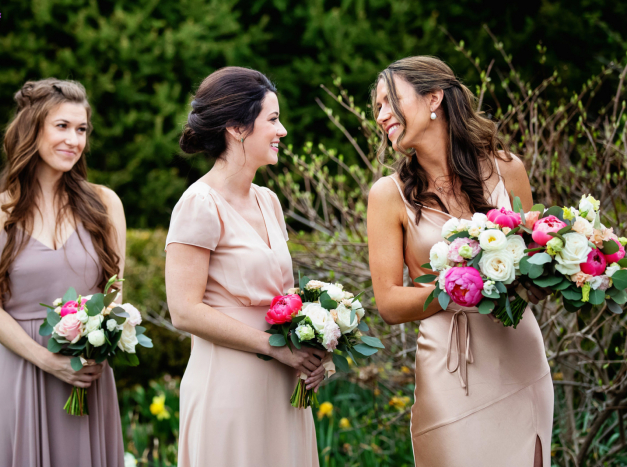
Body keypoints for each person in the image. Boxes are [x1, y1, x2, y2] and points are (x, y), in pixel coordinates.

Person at [367, 56, 553, 467]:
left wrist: (565, 267)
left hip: (518, 355)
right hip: (451, 371)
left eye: (390, 101)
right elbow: (389, 303)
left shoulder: (508, 169)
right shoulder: (387, 195)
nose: (381, 115)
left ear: (434, 97)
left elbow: (534, 273)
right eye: (377, 106)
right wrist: (455, 288)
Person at [165, 67, 324, 467]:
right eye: (272, 119)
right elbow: (184, 310)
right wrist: (276, 349)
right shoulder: (199, 203)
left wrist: (316, 350)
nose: (282, 130)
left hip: (284, 388)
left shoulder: (268, 200)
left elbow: (288, 299)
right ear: (237, 127)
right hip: (228, 389)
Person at [0, 78, 126, 467]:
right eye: (62, 126)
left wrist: (97, 345)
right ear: (32, 129)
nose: (74, 139)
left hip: (87, 372)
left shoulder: (105, 203)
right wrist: (48, 360)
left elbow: (115, 291)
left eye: (82, 129)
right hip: (21, 373)